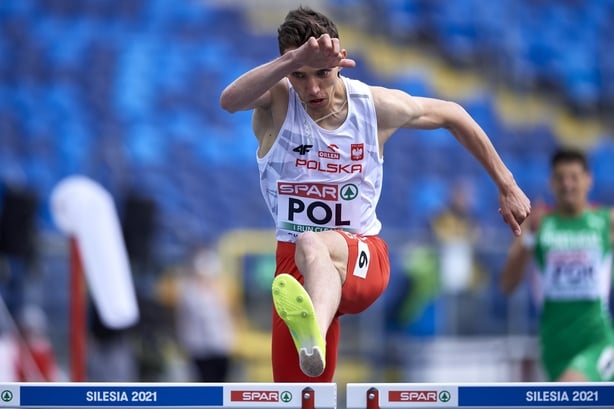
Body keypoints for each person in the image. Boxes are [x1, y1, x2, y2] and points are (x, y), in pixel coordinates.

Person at [219, 6, 530, 382]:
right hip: (294, 270)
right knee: (298, 395)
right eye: (299, 75)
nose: (313, 88)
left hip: (363, 256)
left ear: (341, 60)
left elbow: (454, 114)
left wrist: (507, 185)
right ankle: (311, 339)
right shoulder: (277, 102)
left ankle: (311, 331)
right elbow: (229, 100)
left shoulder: (373, 107)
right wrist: (295, 60)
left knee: (313, 244)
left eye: (323, 73)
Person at [500, 147, 614, 382]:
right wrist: (530, 238)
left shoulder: (606, 221)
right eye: (561, 178)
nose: (567, 185)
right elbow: (507, 285)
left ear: (588, 181)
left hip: (597, 341)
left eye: (574, 177)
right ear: (551, 183)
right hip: (555, 346)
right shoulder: (538, 225)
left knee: (571, 388)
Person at [175, 246, 235, 382]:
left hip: (220, 345)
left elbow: (229, 312)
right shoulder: (189, 291)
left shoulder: (222, 289)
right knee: (203, 379)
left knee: (220, 380)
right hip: (198, 346)